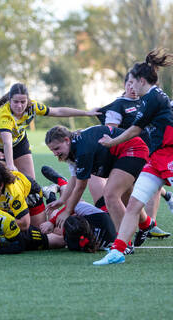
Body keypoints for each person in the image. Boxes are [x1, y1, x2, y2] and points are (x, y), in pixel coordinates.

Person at [93, 48, 173, 265]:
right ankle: (118, 252)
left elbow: (134, 130)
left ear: (140, 80)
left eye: (131, 81)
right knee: (134, 204)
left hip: (169, 154)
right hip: (155, 159)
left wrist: (111, 142)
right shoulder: (151, 98)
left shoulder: (152, 98)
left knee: (134, 203)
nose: (130, 86)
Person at [44, 125, 149, 247]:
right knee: (125, 196)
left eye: (57, 149)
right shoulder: (71, 149)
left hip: (133, 148)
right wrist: (62, 200)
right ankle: (146, 224)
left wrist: (67, 211)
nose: (55, 154)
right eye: (52, 150)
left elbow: (80, 187)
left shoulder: (82, 150)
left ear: (67, 140)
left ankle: (124, 245)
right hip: (117, 156)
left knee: (111, 195)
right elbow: (74, 178)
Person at [0, 83, 100, 179]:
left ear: (27, 100)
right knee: (3, 182)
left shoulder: (33, 107)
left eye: (23, 102)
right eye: (16, 102)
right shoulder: (4, 115)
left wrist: (86, 113)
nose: (19, 106)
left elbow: (58, 111)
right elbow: (7, 142)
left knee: (30, 182)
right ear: (9, 100)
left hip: (19, 141)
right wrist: (10, 165)